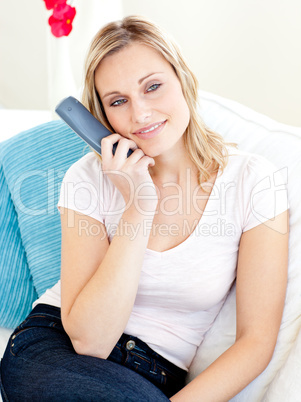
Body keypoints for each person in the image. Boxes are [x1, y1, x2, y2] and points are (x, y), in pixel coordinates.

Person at [0, 15, 289, 402]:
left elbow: (255, 342)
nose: (140, 114)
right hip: (54, 351)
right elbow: (91, 340)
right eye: (118, 101)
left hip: (153, 379)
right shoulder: (86, 178)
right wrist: (138, 207)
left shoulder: (255, 182)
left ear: (183, 78)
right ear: (102, 116)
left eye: (152, 87)